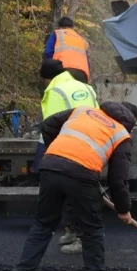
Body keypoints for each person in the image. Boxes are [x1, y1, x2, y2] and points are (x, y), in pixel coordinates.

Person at [5, 100, 137, 271]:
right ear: (130, 121)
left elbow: (48, 124)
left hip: (51, 165)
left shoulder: (83, 111)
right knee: (91, 228)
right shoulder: (121, 134)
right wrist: (123, 209)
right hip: (82, 174)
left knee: (43, 225)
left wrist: (60, 156)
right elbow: (118, 179)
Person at [32, 59, 99, 255]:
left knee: (70, 193)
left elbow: (50, 125)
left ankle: (79, 237)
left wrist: (54, 157)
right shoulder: (86, 87)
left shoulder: (54, 91)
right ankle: (72, 231)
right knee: (81, 192)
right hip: (90, 144)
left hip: (67, 145)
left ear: (47, 79)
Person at [43, 16, 91, 83]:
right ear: (72, 27)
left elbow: (48, 52)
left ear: (59, 27)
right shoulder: (82, 39)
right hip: (82, 73)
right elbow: (88, 61)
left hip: (62, 69)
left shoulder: (57, 33)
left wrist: (51, 69)